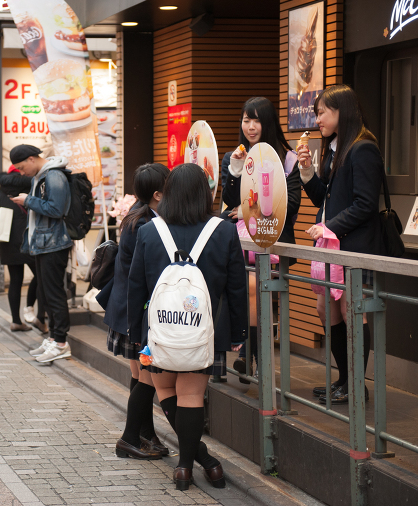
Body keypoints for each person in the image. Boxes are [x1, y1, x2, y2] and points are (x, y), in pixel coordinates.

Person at [127, 163, 248, 491]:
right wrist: (239, 333)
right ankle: (190, 465)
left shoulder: (149, 231)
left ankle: (199, 464)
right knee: (192, 395)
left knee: (165, 390)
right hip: (202, 333)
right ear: (204, 194)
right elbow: (237, 287)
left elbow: (135, 286)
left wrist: (134, 333)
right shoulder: (223, 230)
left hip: (157, 335)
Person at [297, 84, 384, 405]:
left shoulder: (363, 149)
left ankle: (355, 384)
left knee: (352, 311)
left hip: (356, 248)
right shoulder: (337, 148)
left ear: (341, 112)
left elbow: (365, 205)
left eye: (322, 112)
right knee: (325, 309)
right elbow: (324, 199)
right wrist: (307, 172)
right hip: (336, 248)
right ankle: (345, 379)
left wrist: (327, 227)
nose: (317, 119)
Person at [220, 96, 302, 381]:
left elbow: (290, 204)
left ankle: (249, 355)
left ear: (267, 123)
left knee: (256, 292)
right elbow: (227, 202)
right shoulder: (234, 158)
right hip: (240, 244)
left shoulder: (287, 159)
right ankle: (252, 356)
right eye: (246, 119)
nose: (250, 126)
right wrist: (236, 171)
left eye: (256, 120)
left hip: (273, 240)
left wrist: (248, 209)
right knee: (247, 295)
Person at [95, 163, 171, 460]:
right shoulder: (144, 224)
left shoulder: (137, 214)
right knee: (147, 378)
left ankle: (145, 433)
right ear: (157, 194)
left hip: (127, 310)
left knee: (141, 375)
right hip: (134, 313)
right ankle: (130, 438)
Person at [10, 144, 73, 364]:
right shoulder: (42, 176)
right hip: (44, 242)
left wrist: (28, 200)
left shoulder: (54, 176)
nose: (21, 172)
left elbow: (56, 209)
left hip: (54, 244)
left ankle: (61, 343)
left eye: (20, 167)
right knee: (46, 293)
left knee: (54, 294)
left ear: (31, 159)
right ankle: (53, 338)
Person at [0, 160, 47, 330]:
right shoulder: (33, 183)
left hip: (8, 238)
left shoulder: (1, 186)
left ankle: (16, 321)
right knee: (41, 276)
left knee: (15, 280)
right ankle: (37, 315)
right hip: (29, 236)